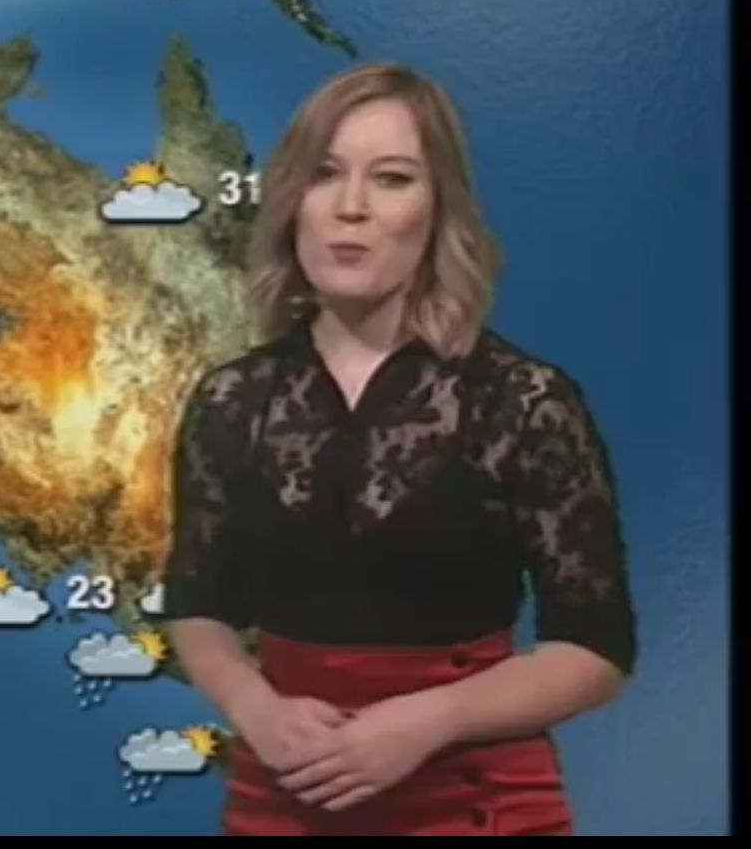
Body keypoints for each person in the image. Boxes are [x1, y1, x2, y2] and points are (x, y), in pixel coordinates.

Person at [162, 62, 638, 836]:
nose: (350, 207)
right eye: (324, 175)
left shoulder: (522, 402)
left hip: (474, 801)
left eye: (390, 179)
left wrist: (428, 720)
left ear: (438, 207)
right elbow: (198, 607)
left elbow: (595, 649)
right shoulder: (232, 400)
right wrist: (255, 707)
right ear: (291, 202)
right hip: (286, 791)